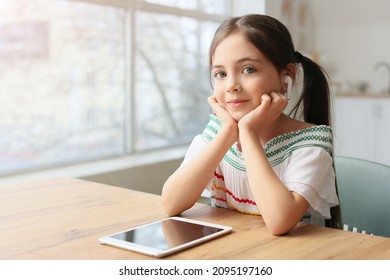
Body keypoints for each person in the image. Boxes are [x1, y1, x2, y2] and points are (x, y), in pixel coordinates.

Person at [161, 14, 341, 236]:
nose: (231, 85)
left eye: (248, 69)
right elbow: (171, 203)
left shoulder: (311, 144)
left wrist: (248, 133)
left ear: (286, 77)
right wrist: (228, 133)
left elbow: (279, 222)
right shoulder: (216, 134)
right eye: (220, 74)